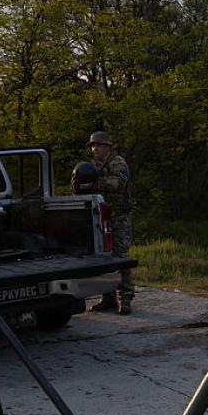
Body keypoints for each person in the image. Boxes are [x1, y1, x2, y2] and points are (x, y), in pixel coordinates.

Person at [75, 131, 135, 315]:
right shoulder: (90, 166)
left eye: (98, 145)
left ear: (107, 147)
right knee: (102, 259)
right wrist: (77, 184)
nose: (95, 149)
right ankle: (107, 297)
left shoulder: (118, 163)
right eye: (93, 146)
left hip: (118, 217)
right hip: (98, 219)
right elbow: (77, 184)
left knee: (120, 257)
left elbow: (116, 183)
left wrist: (93, 185)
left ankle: (125, 299)